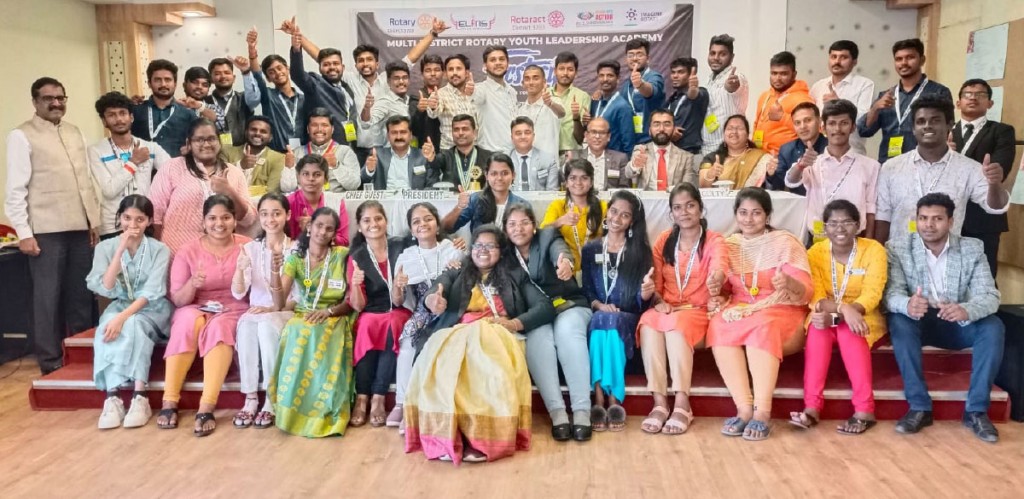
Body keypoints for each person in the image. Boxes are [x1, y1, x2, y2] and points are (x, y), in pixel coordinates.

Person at [405, 224, 554, 464]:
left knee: (482, 365)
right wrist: (433, 298)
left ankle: (481, 439)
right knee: (440, 360)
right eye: (478, 245)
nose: (483, 250)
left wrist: (515, 323)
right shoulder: (458, 269)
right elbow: (439, 286)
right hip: (459, 333)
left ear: (502, 251)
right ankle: (448, 436)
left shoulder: (515, 274)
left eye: (490, 246)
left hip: (498, 333)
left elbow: (545, 306)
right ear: (471, 249)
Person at [884, 193, 1004, 442]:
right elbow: (890, 295)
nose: (929, 224)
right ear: (916, 219)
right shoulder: (898, 247)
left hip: (956, 320)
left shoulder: (972, 248)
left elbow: (990, 295)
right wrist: (908, 304)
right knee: (898, 321)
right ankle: (919, 407)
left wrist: (966, 309)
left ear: (951, 221)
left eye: (937, 218)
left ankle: (976, 411)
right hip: (919, 318)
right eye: (923, 218)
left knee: (993, 326)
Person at [6, 77, 101, 374]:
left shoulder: (75, 132)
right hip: (45, 231)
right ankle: (49, 360)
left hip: (79, 227)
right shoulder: (21, 136)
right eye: (48, 98)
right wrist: (23, 233)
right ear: (35, 102)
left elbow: (85, 182)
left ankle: (83, 356)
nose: (56, 103)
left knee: (81, 295)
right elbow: (15, 190)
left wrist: (92, 222)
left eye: (61, 97)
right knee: (47, 297)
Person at [707, 187, 812, 441]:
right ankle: (743, 408)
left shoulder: (785, 242)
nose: (749, 219)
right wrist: (717, 295)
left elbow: (806, 293)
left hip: (781, 307)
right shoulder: (729, 245)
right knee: (719, 324)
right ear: (735, 215)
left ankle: (762, 412)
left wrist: (788, 282)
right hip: (742, 307)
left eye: (756, 213)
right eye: (743, 212)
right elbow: (724, 288)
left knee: (762, 327)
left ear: (767, 216)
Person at [790, 200, 887, 435]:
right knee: (818, 329)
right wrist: (844, 310)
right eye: (833, 223)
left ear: (858, 225)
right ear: (824, 227)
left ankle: (865, 410)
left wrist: (851, 311)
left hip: (864, 317)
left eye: (846, 222)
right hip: (830, 315)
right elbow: (817, 296)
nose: (839, 228)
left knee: (848, 330)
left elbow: (873, 293)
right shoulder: (816, 252)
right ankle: (812, 407)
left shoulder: (873, 249)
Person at [157, 195, 251, 437]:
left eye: (225, 217)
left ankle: (206, 406)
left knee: (219, 327)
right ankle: (169, 401)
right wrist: (193, 284)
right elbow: (178, 300)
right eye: (212, 218)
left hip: (235, 307)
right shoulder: (187, 251)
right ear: (203, 221)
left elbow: (256, 291)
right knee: (187, 320)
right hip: (196, 305)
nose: (219, 223)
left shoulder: (247, 247)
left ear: (234, 220)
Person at [637, 184, 726, 434]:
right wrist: (655, 299)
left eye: (690, 205)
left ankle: (682, 402)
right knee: (647, 324)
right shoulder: (665, 239)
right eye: (677, 208)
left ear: (700, 208)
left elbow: (720, 264)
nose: (684, 212)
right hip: (667, 307)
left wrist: (717, 279)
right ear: (671, 213)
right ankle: (659, 402)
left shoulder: (713, 239)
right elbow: (655, 284)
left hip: (698, 309)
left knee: (677, 328)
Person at [283, 17, 441, 158]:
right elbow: (323, 58)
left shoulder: (388, 78)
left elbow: (412, 57)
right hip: (358, 148)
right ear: (355, 64)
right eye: (360, 60)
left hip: (386, 148)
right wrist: (297, 37)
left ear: (377, 64)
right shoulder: (349, 80)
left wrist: (432, 33)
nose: (365, 64)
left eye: (369, 60)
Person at [505, 203, 593, 442]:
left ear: (534, 225)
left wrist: (565, 263)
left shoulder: (547, 236)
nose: (519, 229)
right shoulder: (505, 255)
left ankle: (582, 411)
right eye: (512, 224)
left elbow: (559, 250)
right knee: (537, 341)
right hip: (536, 313)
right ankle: (557, 414)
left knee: (567, 333)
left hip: (568, 304)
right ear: (505, 229)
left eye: (524, 222)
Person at [269, 206, 357, 437]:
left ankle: (326, 411)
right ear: (309, 227)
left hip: (336, 315)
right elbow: (279, 304)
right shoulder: (296, 259)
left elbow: (352, 300)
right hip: (304, 314)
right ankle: (293, 411)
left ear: (334, 233)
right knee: (297, 330)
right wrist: (274, 272)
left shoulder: (343, 255)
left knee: (320, 333)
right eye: (319, 226)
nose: (323, 232)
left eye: (329, 229)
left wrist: (329, 312)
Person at [86, 195, 173, 429]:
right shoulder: (105, 247)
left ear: (149, 221)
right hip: (120, 304)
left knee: (132, 324)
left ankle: (139, 395)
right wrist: (120, 249)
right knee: (106, 327)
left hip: (152, 308)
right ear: (119, 218)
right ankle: (112, 397)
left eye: (139, 219)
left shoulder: (160, 249)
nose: (132, 224)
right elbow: (105, 287)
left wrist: (122, 319)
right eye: (126, 218)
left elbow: (152, 292)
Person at [874, 96, 1008, 244]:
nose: (927, 126)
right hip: (899, 258)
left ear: (949, 125)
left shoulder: (969, 168)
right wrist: (879, 256)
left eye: (935, 120)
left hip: (947, 258)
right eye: (920, 121)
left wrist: (995, 184)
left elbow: (996, 207)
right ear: (913, 128)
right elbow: (883, 217)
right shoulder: (891, 167)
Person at [581, 191, 654, 432]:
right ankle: (604, 400)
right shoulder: (591, 248)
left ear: (632, 221)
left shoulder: (640, 251)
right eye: (614, 212)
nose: (617, 219)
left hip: (627, 317)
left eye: (625, 215)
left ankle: (607, 400)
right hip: (600, 314)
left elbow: (639, 304)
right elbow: (588, 291)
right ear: (606, 212)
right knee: (602, 319)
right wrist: (599, 306)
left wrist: (645, 293)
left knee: (609, 322)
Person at [391, 203, 466, 431]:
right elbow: (396, 301)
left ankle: (436, 408)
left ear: (437, 223)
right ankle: (402, 403)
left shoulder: (453, 249)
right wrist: (398, 286)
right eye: (416, 222)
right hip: (422, 312)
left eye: (427, 219)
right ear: (412, 231)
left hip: (451, 311)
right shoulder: (406, 256)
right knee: (408, 343)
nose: (422, 224)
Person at [230, 192, 293, 429]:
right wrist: (238, 270)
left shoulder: (296, 250)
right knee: (246, 325)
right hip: (256, 312)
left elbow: (301, 295)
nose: (270, 220)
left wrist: (272, 308)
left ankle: (271, 398)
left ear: (287, 215)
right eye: (265, 214)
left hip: (284, 311)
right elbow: (238, 292)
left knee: (266, 327)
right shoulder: (250, 249)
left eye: (276, 213)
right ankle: (250, 397)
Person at [347, 201, 413, 428]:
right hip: (370, 309)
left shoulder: (400, 245)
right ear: (359, 227)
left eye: (378, 218)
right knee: (366, 325)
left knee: (393, 323)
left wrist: (454, 242)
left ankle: (378, 396)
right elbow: (357, 306)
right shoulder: (357, 256)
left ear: (386, 221)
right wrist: (355, 285)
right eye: (367, 220)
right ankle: (362, 396)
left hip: (399, 307)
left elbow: (432, 233)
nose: (373, 224)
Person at [150, 119, 255, 254]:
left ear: (219, 142)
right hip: (176, 251)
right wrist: (158, 251)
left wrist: (229, 191)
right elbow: (155, 214)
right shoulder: (172, 168)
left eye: (211, 139)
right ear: (189, 143)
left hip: (220, 254)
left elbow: (248, 219)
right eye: (199, 140)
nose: (206, 144)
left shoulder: (234, 173)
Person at [786, 99, 880, 243]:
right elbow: (791, 180)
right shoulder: (812, 163)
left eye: (844, 123)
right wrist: (801, 165)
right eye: (832, 123)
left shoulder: (870, 166)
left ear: (853, 127)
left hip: (856, 241)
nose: (837, 129)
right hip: (818, 241)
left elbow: (871, 209)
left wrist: (869, 245)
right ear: (823, 128)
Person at [952, 79, 1016, 278]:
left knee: (984, 276)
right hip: (949, 216)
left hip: (983, 217)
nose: (972, 98)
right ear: (958, 103)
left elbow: (999, 171)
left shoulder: (1002, 131)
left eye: (980, 95)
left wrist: (956, 160)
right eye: (967, 94)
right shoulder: (945, 133)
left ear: (990, 104)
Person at [858, 38, 954, 162]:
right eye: (899, 59)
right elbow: (864, 131)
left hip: (925, 162)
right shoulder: (886, 95)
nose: (904, 63)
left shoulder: (939, 92)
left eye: (910, 57)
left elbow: (947, 129)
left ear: (922, 60)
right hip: (889, 164)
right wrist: (875, 108)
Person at [90, 91, 170, 238]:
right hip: (113, 226)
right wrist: (133, 162)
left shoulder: (150, 147)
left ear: (131, 117)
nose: (118, 119)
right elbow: (109, 190)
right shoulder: (96, 151)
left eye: (122, 113)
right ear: (104, 121)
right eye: (111, 115)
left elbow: (173, 173)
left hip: (144, 222)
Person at [282, 21, 356, 146]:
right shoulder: (315, 84)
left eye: (335, 64)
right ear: (320, 68)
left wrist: (352, 141)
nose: (332, 67)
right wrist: (296, 49)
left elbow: (347, 117)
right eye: (326, 65)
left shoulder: (346, 86)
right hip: (322, 146)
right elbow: (297, 74)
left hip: (348, 144)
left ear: (342, 67)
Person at [808, 40, 874, 155]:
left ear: (854, 62)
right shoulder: (818, 86)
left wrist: (838, 103)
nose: (837, 61)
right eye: (833, 57)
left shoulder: (864, 85)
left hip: (852, 152)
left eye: (843, 57)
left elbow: (863, 122)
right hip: (820, 153)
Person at [245, 28, 305, 152]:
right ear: (268, 78)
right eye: (271, 72)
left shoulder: (304, 99)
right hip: (277, 154)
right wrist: (252, 51)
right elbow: (257, 76)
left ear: (287, 69)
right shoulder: (268, 96)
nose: (277, 73)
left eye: (279, 68)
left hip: (303, 154)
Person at [541, 159, 607, 266]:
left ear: (591, 183)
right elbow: (542, 233)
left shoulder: (603, 207)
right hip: (567, 267)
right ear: (566, 183)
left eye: (584, 178)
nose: (578, 183)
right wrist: (560, 221)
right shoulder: (557, 206)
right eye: (573, 178)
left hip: (596, 266)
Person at [443, 154, 526, 233]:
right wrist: (459, 207)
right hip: (481, 247)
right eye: (494, 174)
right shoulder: (475, 199)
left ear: (513, 175)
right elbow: (446, 228)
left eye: (504, 173)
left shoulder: (522, 204)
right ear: (486, 176)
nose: (499, 178)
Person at [752, 51, 813, 155]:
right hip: (760, 155)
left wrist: (783, 117)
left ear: (794, 74)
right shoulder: (765, 95)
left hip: (786, 159)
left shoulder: (802, 99)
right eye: (774, 73)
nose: (777, 78)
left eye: (783, 74)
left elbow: (812, 132)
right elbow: (757, 124)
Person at [132, 60, 194, 157]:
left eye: (168, 80)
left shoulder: (188, 114)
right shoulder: (136, 111)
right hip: (144, 169)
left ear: (175, 83)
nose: (163, 84)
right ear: (149, 83)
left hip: (177, 169)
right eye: (157, 80)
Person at [285, 154, 350, 246]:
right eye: (306, 174)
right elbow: (280, 241)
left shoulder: (336, 202)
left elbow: (344, 241)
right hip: (295, 256)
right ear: (298, 178)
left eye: (317, 174)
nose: (311, 178)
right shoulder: (287, 203)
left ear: (326, 179)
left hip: (329, 256)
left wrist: (318, 231)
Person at [219, 116, 294, 195]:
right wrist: (240, 165)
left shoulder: (278, 158)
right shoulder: (227, 152)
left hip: (260, 205)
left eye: (263, 131)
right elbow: (219, 182)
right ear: (246, 132)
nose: (257, 133)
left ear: (270, 137)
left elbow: (271, 192)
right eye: (253, 129)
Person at [626, 109, 699, 190]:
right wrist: (634, 165)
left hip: (673, 200)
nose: (661, 129)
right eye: (656, 124)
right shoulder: (641, 150)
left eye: (667, 124)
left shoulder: (686, 157)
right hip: (646, 201)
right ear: (650, 130)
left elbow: (687, 188)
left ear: (674, 128)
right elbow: (628, 174)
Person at [293, 107, 360, 192]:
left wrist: (336, 166)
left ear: (332, 129)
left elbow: (354, 185)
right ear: (308, 129)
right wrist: (289, 168)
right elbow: (287, 188)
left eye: (324, 125)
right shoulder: (297, 153)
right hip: (305, 201)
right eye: (314, 125)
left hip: (335, 202)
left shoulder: (345, 152)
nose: (319, 129)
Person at [702, 34, 750, 155]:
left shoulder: (737, 77)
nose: (716, 58)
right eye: (712, 53)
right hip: (707, 149)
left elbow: (733, 86)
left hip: (728, 151)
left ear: (732, 57)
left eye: (722, 54)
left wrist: (731, 86)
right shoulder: (709, 80)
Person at [361, 116, 436, 189]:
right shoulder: (377, 155)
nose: (399, 137)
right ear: (388, 136)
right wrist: (369, 170)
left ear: (410, 135)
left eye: (403, 132)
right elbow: (364, 179)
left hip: (415, 201)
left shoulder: (422, 156)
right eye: (394, 133)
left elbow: (433, 183)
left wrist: (431, 160)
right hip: (385, 201)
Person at [697, 114, 771, 188]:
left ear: (747, 134)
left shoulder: (760, 157)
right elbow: (702, 186)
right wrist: (710, 174)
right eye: (730, 128)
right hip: (721, 199)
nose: (734, 132)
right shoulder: (712, 158)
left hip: (751, 198)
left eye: (740, 128)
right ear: (724, 134)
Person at [426, 54, 479, 150]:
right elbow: (433, 113)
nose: (454, 73)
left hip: (475, 150)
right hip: (450, 152)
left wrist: (474, 94)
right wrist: (433, 106)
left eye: (458, 69)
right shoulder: (440, 94)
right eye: (450, 69)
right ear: (446, 74)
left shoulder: (478, 93)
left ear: (466, 73)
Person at [770, 101, 825, 192]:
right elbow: (778, 186)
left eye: (808, 120)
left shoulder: (831, 147)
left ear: (819, 121)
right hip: (798, 203)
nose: (802, 126)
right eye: (797, 123)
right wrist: (771, 174)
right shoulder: (786, 150)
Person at [359, 62, 417, 149]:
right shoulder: (385, 102)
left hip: (410, 153)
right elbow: (366, 123)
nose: (401, 81)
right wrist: (366, 108)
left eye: (404, 78)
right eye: (396, 78)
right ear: (388, 82)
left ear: (409, 80)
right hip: (390, 154)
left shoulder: (411, 100)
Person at [426, 114, 493, 190]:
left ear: (474, 133)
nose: (460, 133)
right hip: (452, 201)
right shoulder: (445, 156)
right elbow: (434, 165)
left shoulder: (488, 157)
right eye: (456, 129)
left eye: (465, 129)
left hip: (480, 200)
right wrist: (431, 158)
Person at [620, 38, 666, 145]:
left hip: (651, 141)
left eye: (639, 54)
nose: (635, 58)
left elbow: (649, 91)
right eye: (631, 55)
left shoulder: (654, 77)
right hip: (631, 141)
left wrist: (640, 85)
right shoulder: (626, 85)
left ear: (648, 58)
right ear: (626, 59)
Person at [474, 45, 518, 153]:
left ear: (508, 64)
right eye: (493, 60)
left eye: (502, 59)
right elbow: (474, 98)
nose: (498, 63)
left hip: (513, 153)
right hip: (490, 155)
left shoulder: (512, 91)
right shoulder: (480, 90)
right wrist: (470, 92)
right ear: (485, 65)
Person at [567, 117, 630, 190]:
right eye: (593, 132)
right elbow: (564, 183)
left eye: (602, 133)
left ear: (608, 136)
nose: (597, 136)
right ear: (586, 135)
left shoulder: (620, 158)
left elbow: (624, 188)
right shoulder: (574, 157)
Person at [515, 65, 565, 157]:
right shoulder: (520, 110)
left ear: (544, 82)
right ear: (523, 84)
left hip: (549, 166)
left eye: (535, 78)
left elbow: (561, 113)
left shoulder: (554, 102)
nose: (531, 82)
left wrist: (550, 104)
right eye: (527, 79)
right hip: (526, 164)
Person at [589, 60, 636, 155]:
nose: (605, 79)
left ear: (618, 79)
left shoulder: (623, 107)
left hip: (614, 161)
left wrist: (625, 165)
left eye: (610, 75)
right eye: (601, 75)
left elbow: (628, 142)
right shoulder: (595, 103)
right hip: (595, 158)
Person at [205, 57, 254, 147]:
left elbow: (254, 94)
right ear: (211, 79)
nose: (223, 76)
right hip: (212, 153)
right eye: (217, 74)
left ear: (234, 78)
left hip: (242, 153)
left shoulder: (244, 99)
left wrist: (246, 72)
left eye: (227, 73)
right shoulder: (204, 102)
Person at [666, 57, 709, 155]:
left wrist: (693, 88)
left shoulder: (702, 93)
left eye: (681, 72)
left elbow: (693, 95)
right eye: (673, 72)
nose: (675, 76)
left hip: (690, 152)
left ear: (690, 75)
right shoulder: (672, 99)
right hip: (671, 152)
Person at [551, 51, 591, 155]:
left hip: (573, 153)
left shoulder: (583, 97)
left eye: (570, 69)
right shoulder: (545, 95)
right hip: (547, 152)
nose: (565, 73)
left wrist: (576, 117)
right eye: (561, 69)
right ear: (555, 71)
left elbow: (581, 137)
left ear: (576, 73)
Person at [509, 117, 560, 191]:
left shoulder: (548, 159)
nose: (523, 137)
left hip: (540, 202)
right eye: (518, 133)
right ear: (512, 137)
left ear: (533, 136)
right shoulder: (503, 161)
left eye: (527, 133)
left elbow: (552, 192)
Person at [411, 54, 444, 152]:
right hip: (425, 153)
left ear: (443, 72)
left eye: (437, 70)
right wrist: (419, 111)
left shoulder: (449, 96)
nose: (433, 73)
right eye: (428, 70)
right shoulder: (416, 99)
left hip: (448, 151)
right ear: (422, 74)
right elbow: (413, 130)